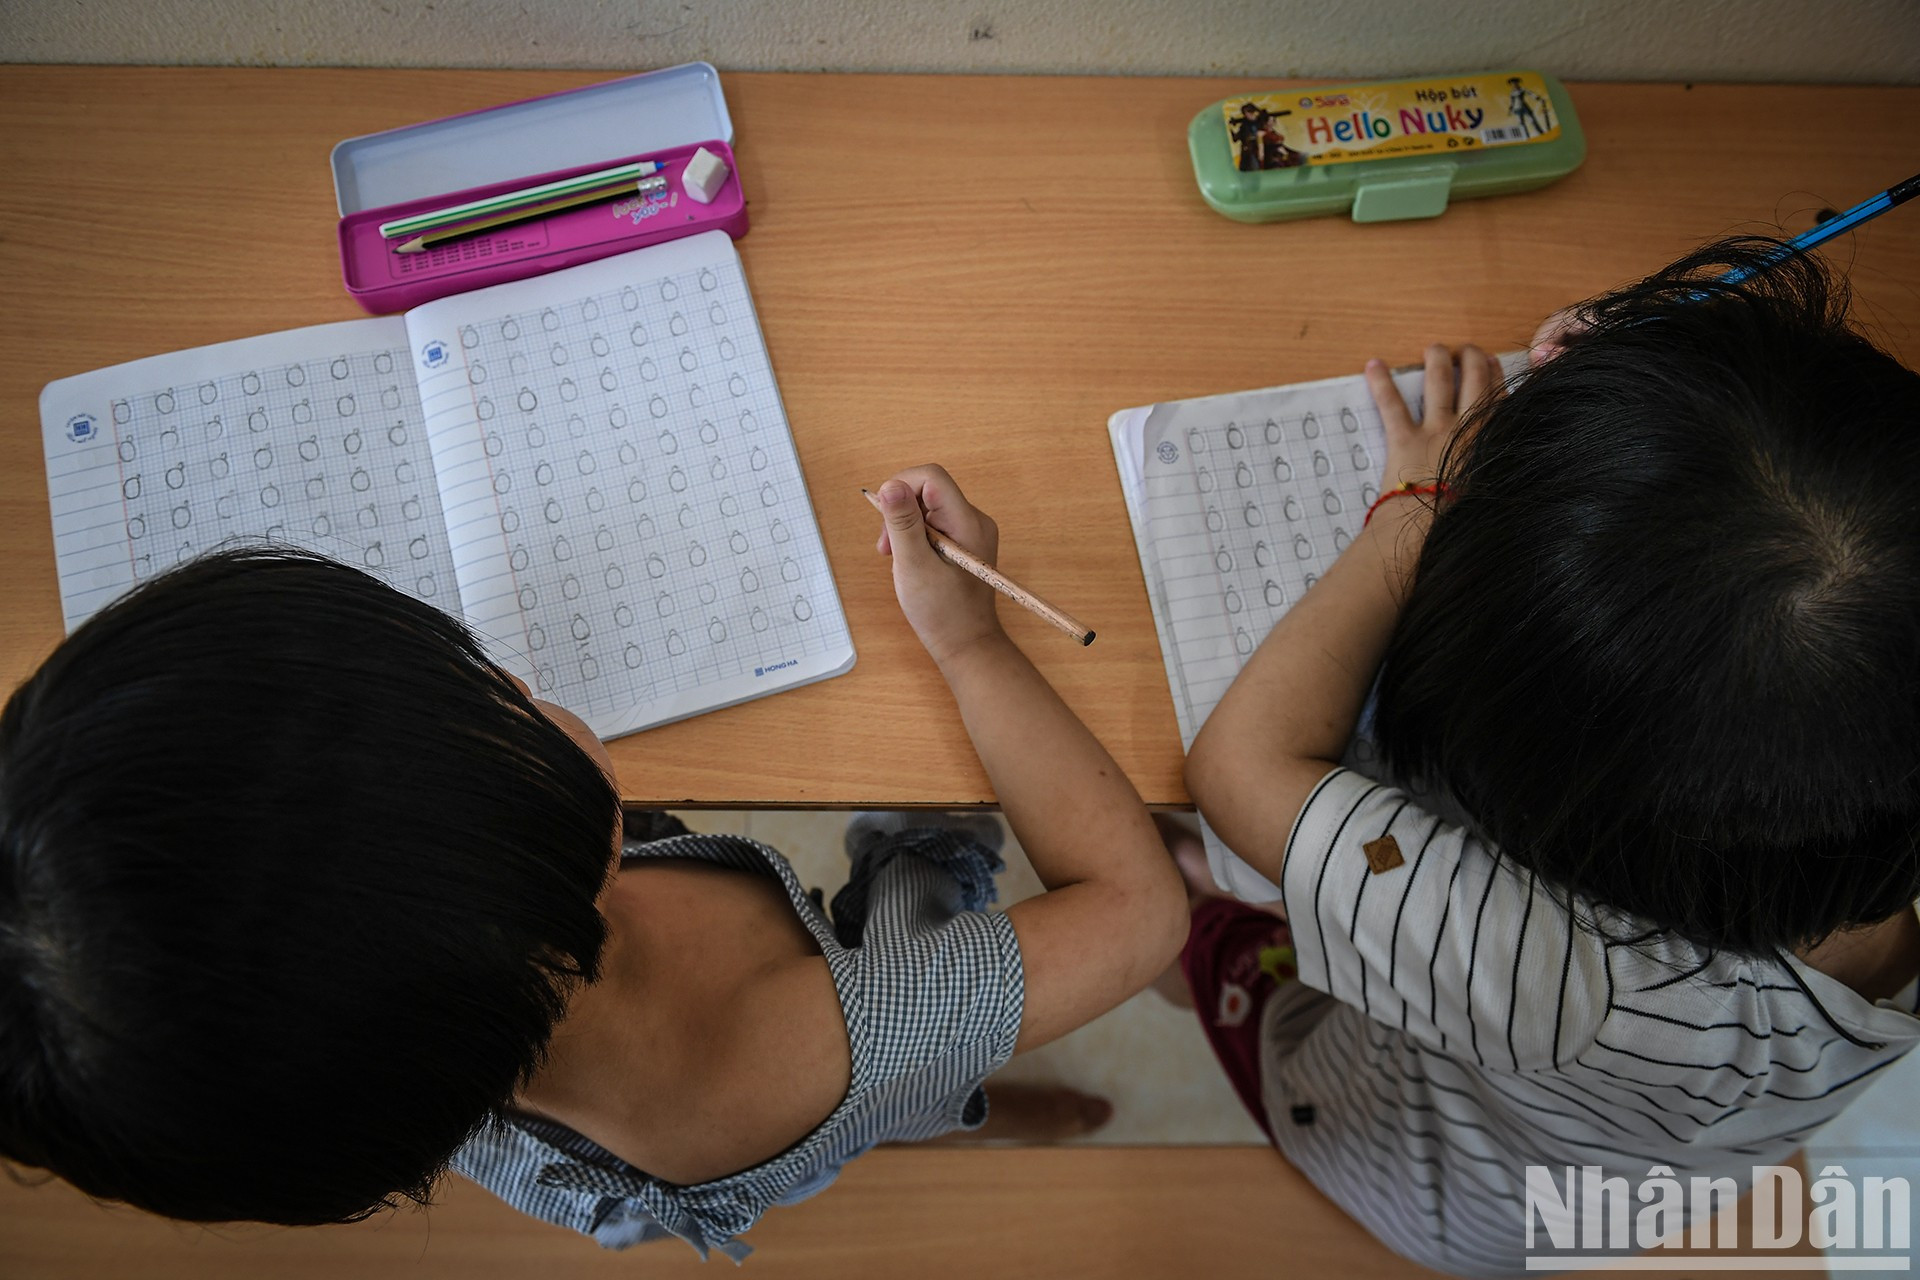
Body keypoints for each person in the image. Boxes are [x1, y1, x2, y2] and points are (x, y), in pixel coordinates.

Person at [0, 465, 1187, 1259]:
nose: (516, 682)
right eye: (495, 712)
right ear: (550, 880)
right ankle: (953, 1098)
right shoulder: (830, 1031)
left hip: (595, 1048)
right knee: (925, 992)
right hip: (856, 1041)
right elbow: (1139, 911)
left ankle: (960, 1084)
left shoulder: (381, 1027)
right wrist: (970, 641)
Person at [1179, 237, 1920, 1276]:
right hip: (1632, 1166)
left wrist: (1415, 506)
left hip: (1405, 1167)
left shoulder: (1563, 976)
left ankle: (1199, 944)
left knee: (1185, 897)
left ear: (1538, 813)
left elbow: (1241, 766)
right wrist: (1637, 413)